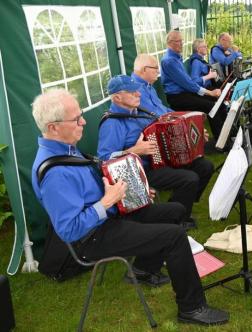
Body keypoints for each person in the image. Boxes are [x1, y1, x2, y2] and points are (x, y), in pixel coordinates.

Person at [31, 89, 229, 326]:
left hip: (109, 216)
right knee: (174, 237)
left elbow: (95, 184)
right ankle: (191, 307)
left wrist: (134, 192)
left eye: (81, 115)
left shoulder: (67, 149)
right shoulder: (54, 173)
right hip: (93, 237)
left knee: (176, 211)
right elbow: (69, 230)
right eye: (76, 119)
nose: (83, 121)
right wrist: (107, 202)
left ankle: (144, 270)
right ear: (53, 127)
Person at [98, 74, 214, 229]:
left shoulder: (140, 111)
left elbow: (163, 125)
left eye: (137, 90)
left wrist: (196, 134)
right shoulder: (112, 123)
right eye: (132, 92)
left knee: (204, 166)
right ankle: (176, 219)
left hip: (161, 161)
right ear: (117, 97)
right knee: (189, 178)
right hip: (142, 171)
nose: (138, 94)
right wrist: (134, 151)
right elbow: (104, 159)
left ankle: (180, 204)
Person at [161, 30, 225, 139]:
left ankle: (227, 133)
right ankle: (221, 142)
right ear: (170, 43)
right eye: (178, 41)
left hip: (185, 93)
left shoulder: (176, 57)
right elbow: (189, 83)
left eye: (182, 41)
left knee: (217, 102)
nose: (181, 44)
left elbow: (188, 83)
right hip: (177, 98)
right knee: (210, 106)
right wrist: (210, 92)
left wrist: (210, 93)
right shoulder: (169, 61)